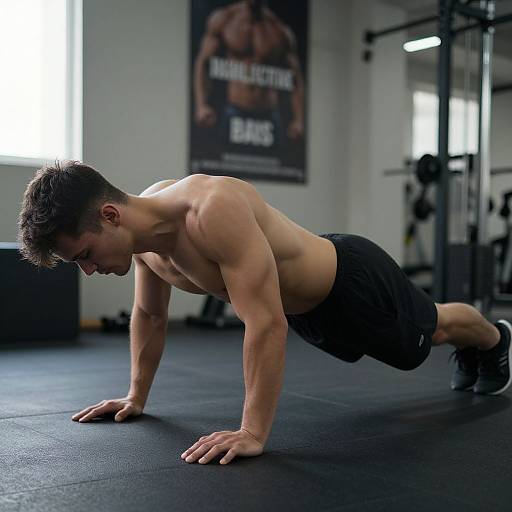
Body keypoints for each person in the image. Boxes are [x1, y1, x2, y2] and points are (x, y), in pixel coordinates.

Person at [18, 161, 511, 466]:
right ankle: (480, 347)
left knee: (435, 329)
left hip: (351, 283)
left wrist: (252, 431)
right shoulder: (144, 244)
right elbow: (149, 316)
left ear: (109, 216)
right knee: (414, 343)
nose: (87, 270)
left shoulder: (211, 209)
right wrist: (135, 395)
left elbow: (265, 322)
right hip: (310, 312)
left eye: (83, 254)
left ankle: (495, 340)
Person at [193, 0, 304, 147]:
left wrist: (299, 119)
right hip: (234, 110)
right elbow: (203, 63)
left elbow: (295, 79)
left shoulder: (280, 31)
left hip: (268, 115)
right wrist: (201, 105)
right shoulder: (225, 18)